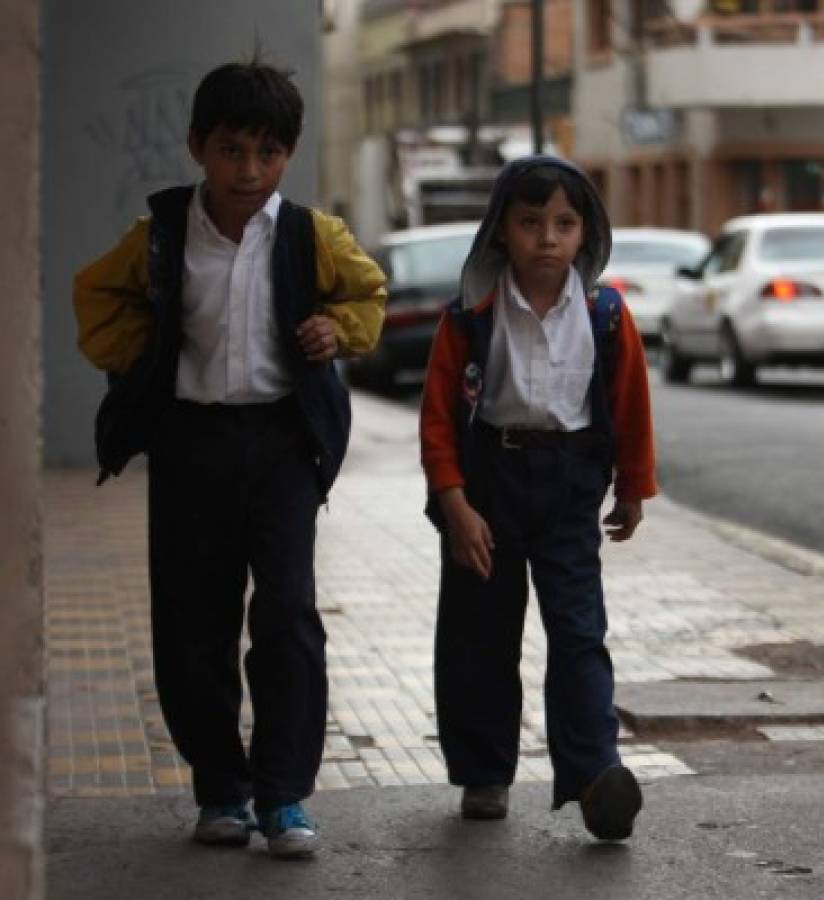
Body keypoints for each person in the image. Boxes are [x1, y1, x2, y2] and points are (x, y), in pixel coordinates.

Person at [73, 59, 386, 858]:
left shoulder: (314, 236)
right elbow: (95, 295)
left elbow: (366, 296)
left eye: (268, 153)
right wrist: (143, 357)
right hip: (190, 446)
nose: (249, 171)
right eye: (232, 150)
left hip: (281, 445)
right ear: (197, 148)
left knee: (286, 618)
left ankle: (283, 796)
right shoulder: (162, 235)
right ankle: (220, 789)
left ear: (289, 154)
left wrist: (335, 332)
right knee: (191, 624)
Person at [419, 156, 656, 841]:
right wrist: (453, 502)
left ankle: (592, 773)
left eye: (564, 223)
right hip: (487, 483)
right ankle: (483, 772)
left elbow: (630, 403)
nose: (547, 238)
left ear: (586, 233)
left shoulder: (606, 314)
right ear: (501, 233)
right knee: (478, 636)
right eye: (529, 223)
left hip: (569, 484)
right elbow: (438, 417)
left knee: (579, 632)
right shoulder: (469, 316)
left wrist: (633, 486)